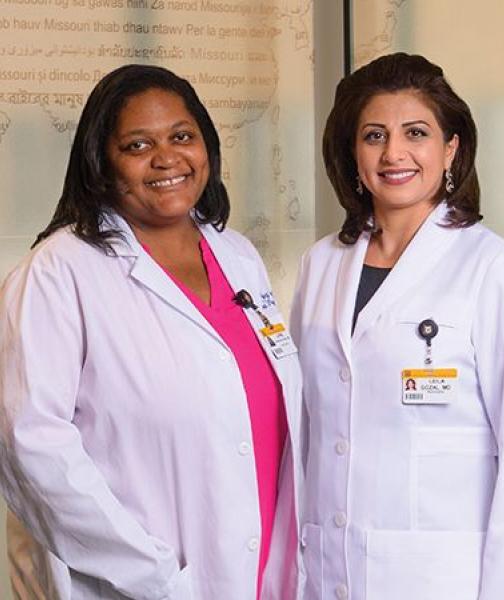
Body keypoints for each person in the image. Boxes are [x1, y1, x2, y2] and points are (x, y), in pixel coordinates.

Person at [0, 64, 303, 600]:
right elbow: (32, 448)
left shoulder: (237, 255)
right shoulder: (57, 273)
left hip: (264, 578)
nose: (166, 158)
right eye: (138, 145)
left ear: (206, 145)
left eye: (182, 137)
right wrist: (155, 577)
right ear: (102, 163)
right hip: (143, 585)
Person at [290, 52, 504, 599]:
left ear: (450, 148)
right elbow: (306, 432)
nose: (394, 154)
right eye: (374, 135)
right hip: (326, 572)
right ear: (352, 152)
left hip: (440, 578)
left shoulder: (495, 269)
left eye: (416, 133)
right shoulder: (321, 265)